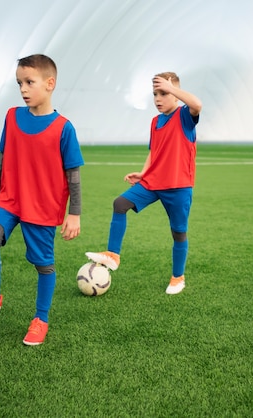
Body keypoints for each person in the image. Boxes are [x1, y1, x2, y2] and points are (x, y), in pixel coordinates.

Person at [0, 54, 84, 345]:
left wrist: (74, 213)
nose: (23, 88)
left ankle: (41, 319)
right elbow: (3, 156)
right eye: (19, 83)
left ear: (50, 84)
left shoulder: (64, 128)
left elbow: (73, 175)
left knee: (43, 265)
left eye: (29, 82)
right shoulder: (12, 116)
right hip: (11, 198)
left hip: (42, 206)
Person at [85, 72, 202, 295]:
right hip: (152, 181)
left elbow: (197, 104)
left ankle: (178, 277)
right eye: (155, 94)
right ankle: (113, 254)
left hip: (178, 186)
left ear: (176, 95)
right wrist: (143, 172)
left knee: (178, 233)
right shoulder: (155, 122)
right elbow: (154, 152)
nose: (158, 99)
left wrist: (173, 88)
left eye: (164, 93)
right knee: (120, 204)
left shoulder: (184, 115)